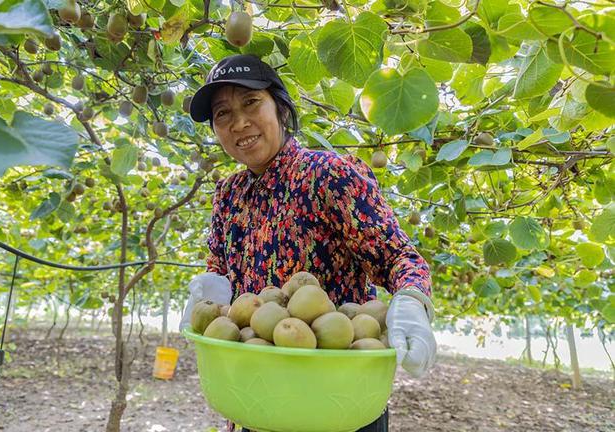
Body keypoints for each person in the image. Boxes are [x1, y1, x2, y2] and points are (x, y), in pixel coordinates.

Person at [179, 54, 436, 432]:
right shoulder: (228, 193)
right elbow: (219, 265)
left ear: (281, 108)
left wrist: (413, 301)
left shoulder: (330, 175)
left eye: (251, 103)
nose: (239, 123)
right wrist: (210, 288)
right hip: (257, 394)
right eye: (222, 114)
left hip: (333, 399)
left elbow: (399, 258)